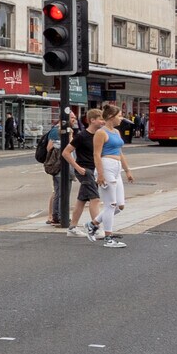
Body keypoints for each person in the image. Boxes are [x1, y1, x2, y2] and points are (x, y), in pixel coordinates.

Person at [95, 103, 133, 249]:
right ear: (111, 117)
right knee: (110, 205)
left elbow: (120, 152)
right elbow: (96, 154)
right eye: (119, 116)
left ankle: (93, 224)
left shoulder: (116, 132)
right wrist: (100, 174)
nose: (121, 118)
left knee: (119, 205)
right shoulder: (101, 133)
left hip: (116, 167)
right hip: (106, 166)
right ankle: (108, 238)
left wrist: (127, 170)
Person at [65, 109, 104, 241]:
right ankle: (95, 228)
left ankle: (72, 228)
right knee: (95, 198)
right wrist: (77, 167)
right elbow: (66, 152)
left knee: (82, 199)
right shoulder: (82, 136)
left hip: (94, 170)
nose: (103, 122)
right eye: (100, 119)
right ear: (92, 120)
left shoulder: (99, 135)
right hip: (85, 170)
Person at [42, 109, 72, 228]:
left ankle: (58, 215)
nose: (74, 120)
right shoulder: (56, 131)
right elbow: (49, 148)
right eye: (72, 118)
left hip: (63, 165)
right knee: (60, 191)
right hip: (58, 165)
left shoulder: (68, 130)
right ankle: (58, 216)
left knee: (60, 191)